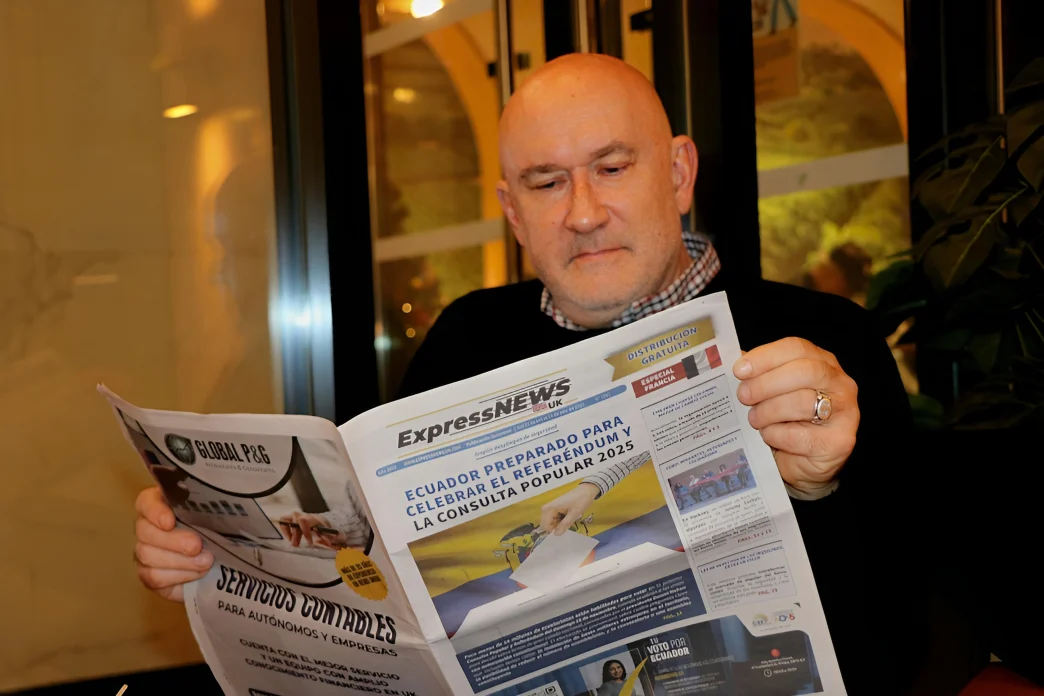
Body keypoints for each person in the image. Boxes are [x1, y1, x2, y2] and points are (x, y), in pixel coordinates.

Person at [131, 54, 925, 693]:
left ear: (679, 175)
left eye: (612, 169)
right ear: (513, 212)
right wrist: (221, 562)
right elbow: (374, 570)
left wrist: (820, 483)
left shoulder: (820, 337)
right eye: (547, 183)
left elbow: (911, 623)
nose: (581, 212)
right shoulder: (465, 336)